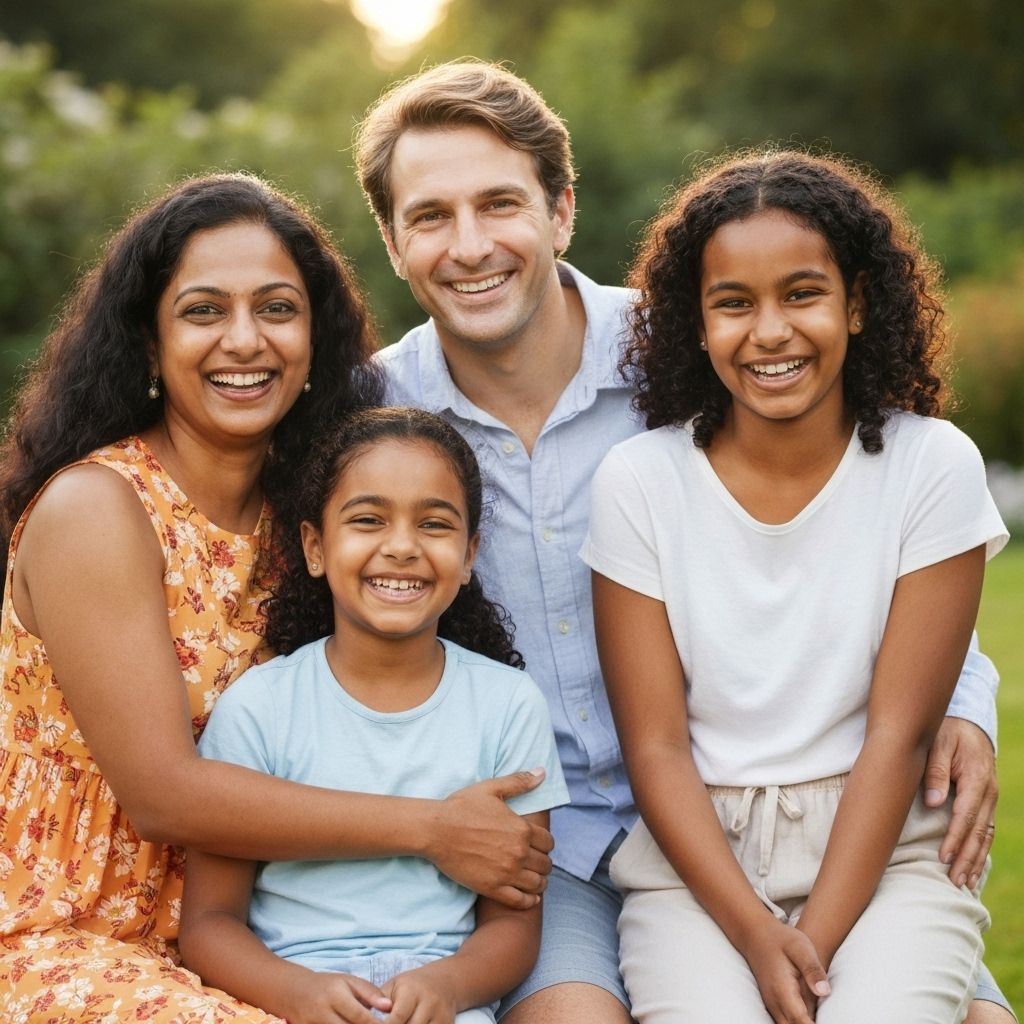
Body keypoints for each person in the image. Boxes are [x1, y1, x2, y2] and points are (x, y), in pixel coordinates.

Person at [353, 60, 1014, 1023]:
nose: (470, 245)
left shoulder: (706, 347)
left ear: (562, 210)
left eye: (501, 203)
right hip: (558, 846)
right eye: (430, 216)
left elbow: (878, 521)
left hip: (809, 807)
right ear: (391, 239)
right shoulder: (375, 421)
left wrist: (967, 702)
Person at [0, 174, 554, 1024]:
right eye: (202, 311)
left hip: (253, 939)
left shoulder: (307, 515)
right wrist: (435, 829)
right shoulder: (99, 508)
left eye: (277, 309)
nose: (245, 341)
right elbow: (162, 796)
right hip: (73, 934)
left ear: (316, 339)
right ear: (148, 343)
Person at [580, 150, 1008, 1023]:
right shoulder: (640, 481)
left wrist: (809, 943)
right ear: (698, 325)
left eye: (802, 294)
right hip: (698, 866)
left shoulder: (932, 465)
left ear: (856, 304)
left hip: (885, 850)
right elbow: (655, 747)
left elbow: (900, 732)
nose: (769, 331)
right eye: (733, 303)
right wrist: (752, 932)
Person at [179, 407, 568, 1024]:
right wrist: (294, 993)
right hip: (283, 996)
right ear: (314, 546)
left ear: (469, 557)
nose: (402, 547)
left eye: (435, 525)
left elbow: (514, 926)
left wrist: (450, 986)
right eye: (367, 520)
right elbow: (208, 923)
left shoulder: (508, 705)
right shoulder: (259, 707)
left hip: (445, 1003)